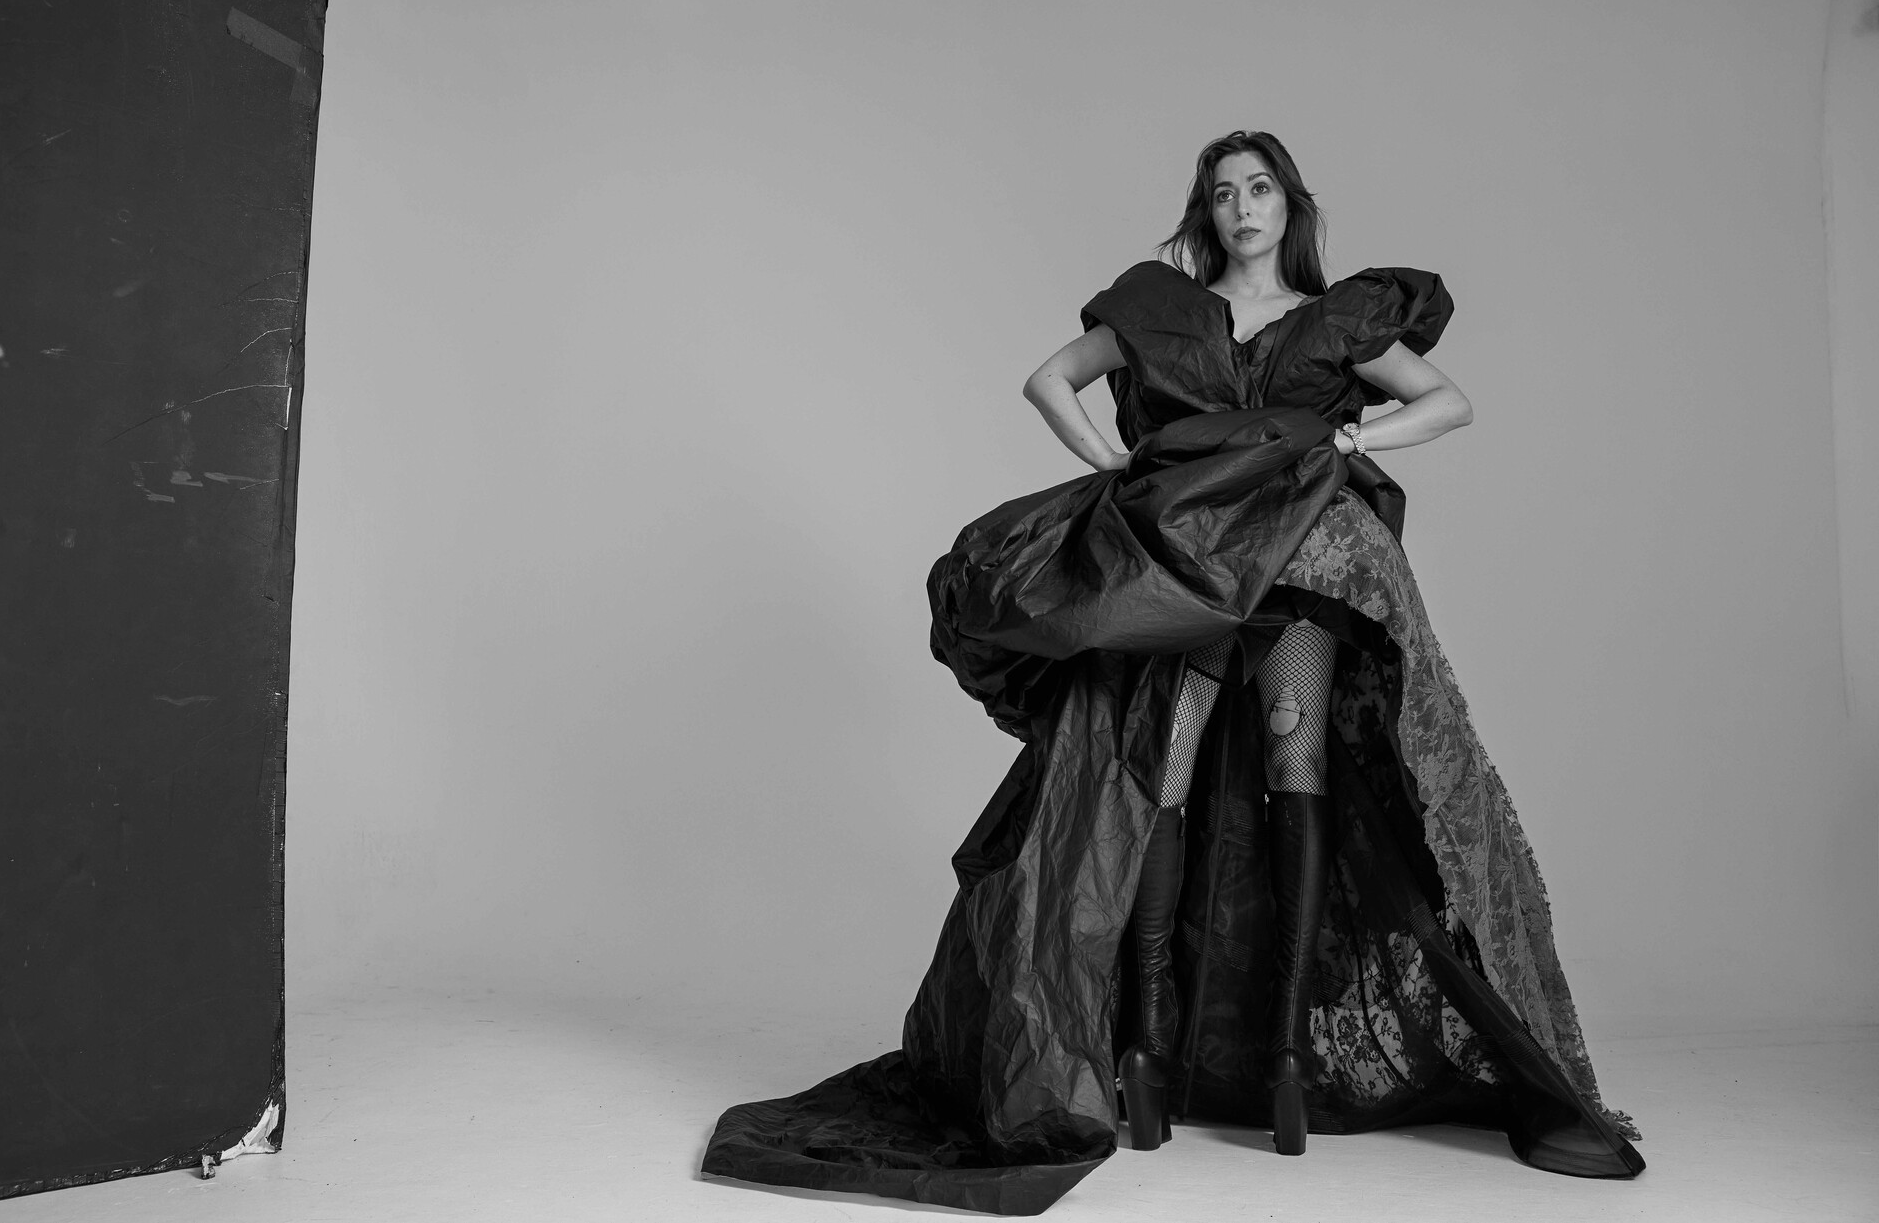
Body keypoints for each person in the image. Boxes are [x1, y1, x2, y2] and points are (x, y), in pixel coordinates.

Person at [703, 130, 1645, 1216]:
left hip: (1267, 572)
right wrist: (1121, 465)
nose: (1243, 207)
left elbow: (1448, 401)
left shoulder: (1333, 319)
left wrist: (1342, 446)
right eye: (1224, 192)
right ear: (1208, 213)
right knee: (1197, 782)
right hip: (1212, 577)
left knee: (1259, 779)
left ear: (1289, 205)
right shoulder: (1169, 310)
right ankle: (1209, 1057)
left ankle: (1212, 1056)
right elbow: (1048, 379)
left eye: (1259, 188)